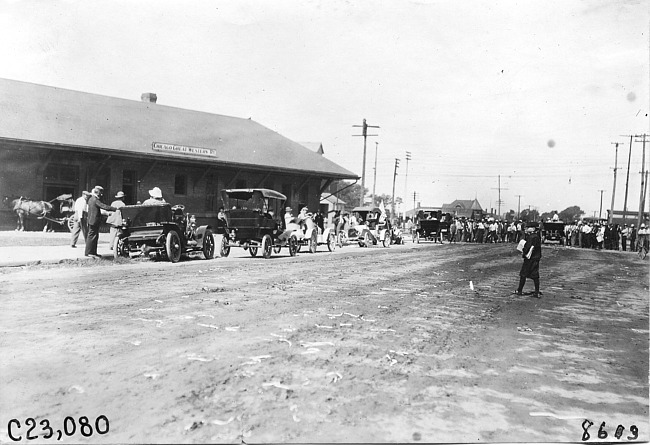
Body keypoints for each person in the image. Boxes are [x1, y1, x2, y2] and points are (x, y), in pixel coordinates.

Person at [85, 186, 116, 258]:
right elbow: (103, 206)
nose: (101, 195)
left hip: (91, 221)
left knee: (93, 236)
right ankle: (90, 252)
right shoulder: (95, 200)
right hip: (94, 221)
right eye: (100, 193)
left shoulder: (91, 199)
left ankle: (92, 252)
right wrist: (114, 209)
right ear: (98, 193)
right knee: (92, 237)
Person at [514, 226, 542, 298]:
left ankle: (519, 290)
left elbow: (527, 247)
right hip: (536, 258)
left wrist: (523, 250)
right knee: (535, 275)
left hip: (530, 258)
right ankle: (536, 291)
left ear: (533, 229)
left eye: (528, 227)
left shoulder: (531, 237)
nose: (526, 229)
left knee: (523, 274)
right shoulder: (537, 236)